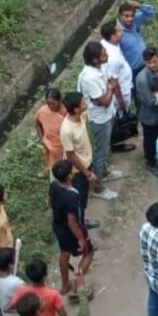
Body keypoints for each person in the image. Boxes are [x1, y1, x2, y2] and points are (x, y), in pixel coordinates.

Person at [77, 40, 120, 188]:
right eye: (103, 55)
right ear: (95, 59)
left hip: (108, 113)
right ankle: (98, 187)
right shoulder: (89, 78)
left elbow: (109, 84)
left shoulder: (101, 67)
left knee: (105, 146)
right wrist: (110, 89)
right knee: (100, 152)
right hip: (99, 119)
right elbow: (105, 100)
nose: (107, 55)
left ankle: (105, 172)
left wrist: (109, 89)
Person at [59, 91, 106, 225]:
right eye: (83, 103)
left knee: (83, 196)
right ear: (76, 109)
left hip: (86, 163)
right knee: (79, 199)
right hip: (78, 170)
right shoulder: (66, 130)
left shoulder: (81, 116)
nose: (86, 103)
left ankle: (81, 219)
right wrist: (87, 173)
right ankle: (79, 224)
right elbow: (70, 155)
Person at [49, 161, 94, 296]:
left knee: (64, 253)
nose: (74, 171)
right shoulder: (72, 196)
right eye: (71, 170)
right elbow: (72, 222)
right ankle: (77, 286)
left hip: (58, 226)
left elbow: (50, 203)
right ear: (69, 176)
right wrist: (81, 238)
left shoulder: (54, 186)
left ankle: (65, 285)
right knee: (88, 252)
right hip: (71, 230)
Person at [99, 21, 135, 152]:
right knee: (119, 116)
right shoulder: (112, 57)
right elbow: (114, 81)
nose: (122, 32)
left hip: (123, 88)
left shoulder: (110, 45)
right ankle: (117, 143)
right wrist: (120, 100)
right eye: (119, 31)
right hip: (120, 93)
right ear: (113, 36)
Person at [135, 46, 158, 171]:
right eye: (150, 63)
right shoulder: (142, 79)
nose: (153, 65)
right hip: (149, 115)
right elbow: (150, 101)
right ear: (145, 62)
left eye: (155, 61)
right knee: (150, 139)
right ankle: (150, 161)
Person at [117, 0, 155, 75]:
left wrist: (139, 6)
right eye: (126, 16)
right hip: (134, 71)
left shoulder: (135, 21)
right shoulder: (116, 32)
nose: (130, 19)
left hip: (146, 63)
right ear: (120, 16)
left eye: (132, 16)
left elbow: (151, 13)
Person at [34, 88, 66, 174]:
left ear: (60, 100)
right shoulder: (43, 111)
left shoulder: (67, 112)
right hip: (52, 148)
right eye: (48, 104)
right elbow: (37, 123)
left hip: (66, 148)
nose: (50, 107)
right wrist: (42, 140)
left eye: (53, 104)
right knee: (57, 172)